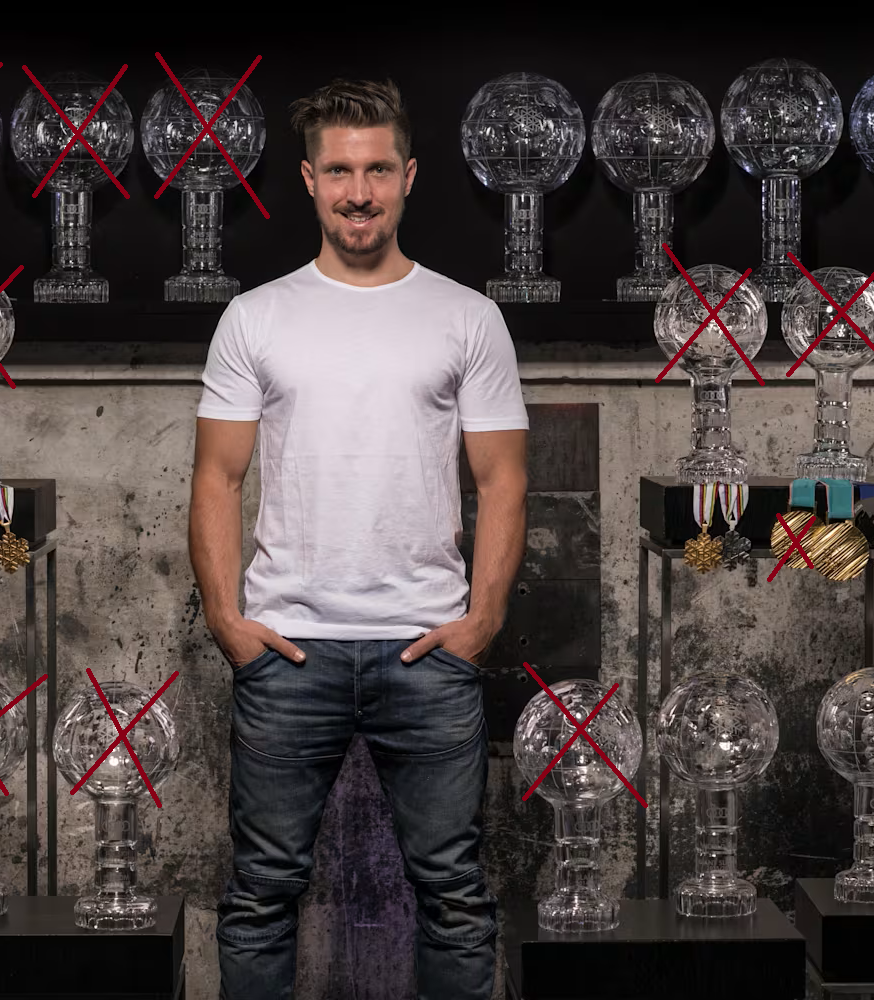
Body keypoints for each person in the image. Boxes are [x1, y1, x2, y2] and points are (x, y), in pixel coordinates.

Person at [187, 77, 529, 1000]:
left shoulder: (467, 317)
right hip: (289, 651)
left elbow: (503, 480)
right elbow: (217, 478)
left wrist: (481, 623)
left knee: (454, 895)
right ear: (309, 179)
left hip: (427, 649)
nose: (359, 192)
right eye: (339, 171)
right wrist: (228, 622)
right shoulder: (256, 317)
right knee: (261, 893)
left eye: (378, 170)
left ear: (409, 176)